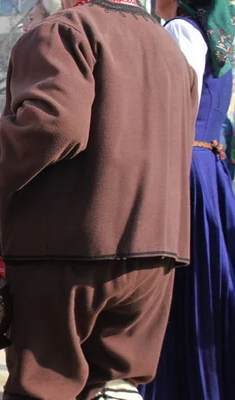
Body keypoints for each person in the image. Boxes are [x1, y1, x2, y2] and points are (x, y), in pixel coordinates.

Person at [0, 0, 199, 397]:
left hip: (69, 249)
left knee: (44, 388)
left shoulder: (66, 31)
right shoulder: (168, 48)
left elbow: (51, 125)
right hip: (155, 253)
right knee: (100, 386)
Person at [138, 0, 235, 399]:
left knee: (183, 285)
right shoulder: (218, 39)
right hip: (208, 166)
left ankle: (186, 387)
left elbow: (174, 109)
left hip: (185, 168)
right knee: (207, 281)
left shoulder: (180, 30)